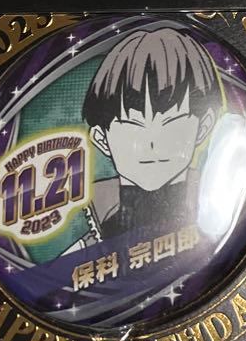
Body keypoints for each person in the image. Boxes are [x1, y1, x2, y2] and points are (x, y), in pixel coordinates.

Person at [74, 27, 221, 245]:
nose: (152, 144)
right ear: (102, 138)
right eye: (133, 127)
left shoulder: (220, 213)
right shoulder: (87, 248)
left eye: (170, 125)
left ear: (203, 127)